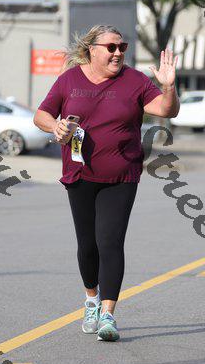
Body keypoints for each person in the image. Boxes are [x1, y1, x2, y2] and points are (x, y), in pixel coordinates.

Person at [34, 25, 180, 342]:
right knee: (87, 245)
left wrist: (168, 86)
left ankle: (108, 314)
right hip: (79, 175)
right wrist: (56, 126)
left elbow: (166, 109)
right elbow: (41, 114)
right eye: (111, 47)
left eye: (122, 47)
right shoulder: (69, 80)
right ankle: (91, 300)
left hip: (121, 176)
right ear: (92, 50)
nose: (117, 53)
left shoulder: (135, 81)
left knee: (110, 242)